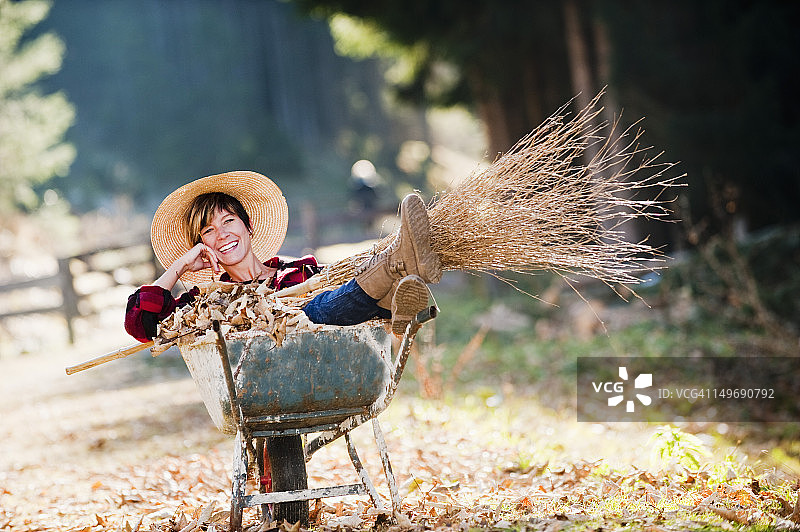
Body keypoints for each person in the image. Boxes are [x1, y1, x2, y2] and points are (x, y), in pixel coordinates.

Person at [125, 170, 442, 343]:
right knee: (311, 311)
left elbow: (349, 298)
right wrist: (179, 267)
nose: (221, 235)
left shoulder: (300, 271)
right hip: (256, 382)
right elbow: (140, 324)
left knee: (324, 298)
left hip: (323, 361)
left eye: (229, 221)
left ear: (248, 227)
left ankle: (394, 291)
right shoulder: (205, 302)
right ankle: (399, 262)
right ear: (201, 245)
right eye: (208, 231)